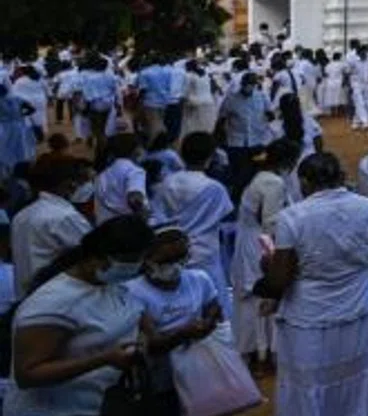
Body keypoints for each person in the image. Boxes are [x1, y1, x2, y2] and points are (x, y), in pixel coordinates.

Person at [4, 214, 152, 416]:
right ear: (97, 258)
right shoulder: (54, 303)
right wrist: (104, 359)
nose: (135, 268)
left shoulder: (108, 285)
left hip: (101, 410)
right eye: (129, 261)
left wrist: (144, 339)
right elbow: (29, 372)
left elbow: (130, 314)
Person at [261, 151, 368, 416]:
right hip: (358, 310)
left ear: (305, 182)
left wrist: (266, 268)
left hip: (309, 319)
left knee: (310, 394)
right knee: (355, 387)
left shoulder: (294, 217)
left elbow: (279, 279)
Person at [120, 226, 223, 416]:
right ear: (147, 259)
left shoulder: (197, 279)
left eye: (180, 258)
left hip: (197, 379)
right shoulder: (133, 291)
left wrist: (209, 321)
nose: (174, 267)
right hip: (156, 385)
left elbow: (214, 307)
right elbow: (151, 343)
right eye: (166, 260)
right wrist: (185, 332)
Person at [231, 139, 298, 370]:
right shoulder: (273, 182)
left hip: (249, 242)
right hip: (261, 243)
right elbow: (270, 222)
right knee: (263, 295)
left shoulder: (260, 176)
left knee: (253, 299)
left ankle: (257, 352)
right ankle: (264, 354)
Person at [149, 133, 233, 315]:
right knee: (215, 306)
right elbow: (225, 213)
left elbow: (157, 216)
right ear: (210, 157)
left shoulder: (167, 183)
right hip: (205, 254)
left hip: (172, 252)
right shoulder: (214, 187)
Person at [11, 157, 94, 298]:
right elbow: (94, 252)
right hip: (55, 296)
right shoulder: (64, 216)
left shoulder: (22, 215)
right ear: (69, 184)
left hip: (26, 295)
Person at [94, 133, 147, 222]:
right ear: (135, 150)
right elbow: (135, 199)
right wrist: (144, 219)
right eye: (141, 147)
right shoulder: (134, 171)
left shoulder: (102, 174)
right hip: (128, 226)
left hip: (105, 227)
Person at [179, 61, 218, 136]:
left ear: (188, 67)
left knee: (192, 125)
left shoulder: (189, 75)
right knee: (204, 125)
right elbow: (213, 87)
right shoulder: (206, 74)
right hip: (209, 102)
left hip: (194, 103)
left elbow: (185, 91)